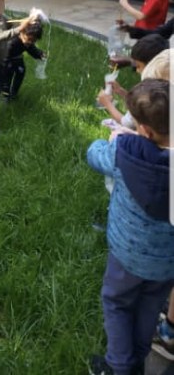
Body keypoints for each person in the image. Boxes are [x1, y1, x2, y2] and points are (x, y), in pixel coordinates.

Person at [87, 79, 174, 375]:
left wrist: (112, 140)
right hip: (166, 263)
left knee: (117, 303)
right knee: (150, 306)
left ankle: (119, 366)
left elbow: (94, 155)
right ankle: (137, 358)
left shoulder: (124, 151)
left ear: (145, 131)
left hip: (126, 255)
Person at [97, 34, 169, 125]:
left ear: (151, 65)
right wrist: (120, 91)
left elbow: (127, 123)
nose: (137, 70)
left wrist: (108, 104)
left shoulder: (150, 91)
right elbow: (139, 104)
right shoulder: (165, 84)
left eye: (138, 66)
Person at [1, 19, 46, 101]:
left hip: (17, 58)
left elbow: (30, 48)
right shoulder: (11, 42)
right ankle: (5, 96)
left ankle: (14, 93)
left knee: (21, 72)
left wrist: (39, 54)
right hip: (6, 60)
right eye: (29, 39)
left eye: (34, 40)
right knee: (6, 79)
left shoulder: (27, 41)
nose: (30, 42)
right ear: (21, 32)